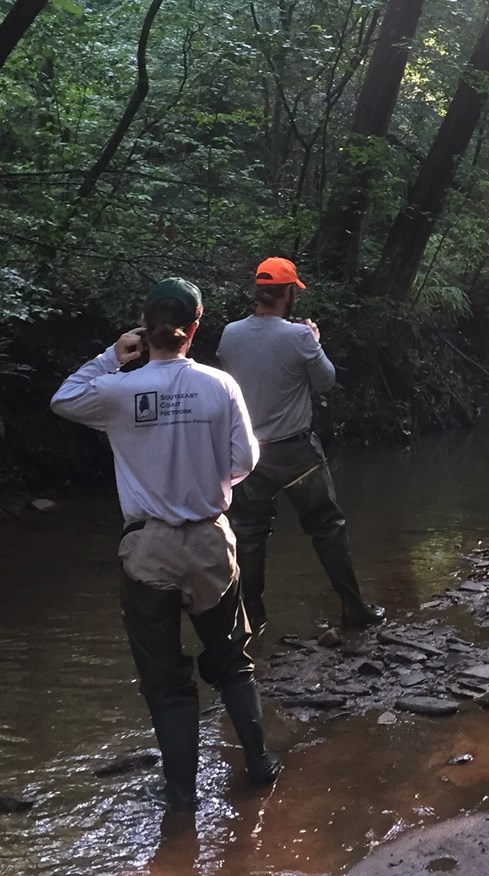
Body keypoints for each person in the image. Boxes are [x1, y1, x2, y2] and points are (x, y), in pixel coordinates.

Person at [51, 278, 282, 813]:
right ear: (194, 327)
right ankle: (260, 766)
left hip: (148, 549)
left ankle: (181, 794)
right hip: (208, 542)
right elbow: (246, 461)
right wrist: (208, 483)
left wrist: (113, 355)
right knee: (232, 662)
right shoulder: (220, 386)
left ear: (144, 326)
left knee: (166, 680)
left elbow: (63, 399)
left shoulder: (116, 390)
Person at [217, 257, 385, 633]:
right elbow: (325, 381)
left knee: (249, 536)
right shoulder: (298, 337)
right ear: (288, 293)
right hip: (295, 455)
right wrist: (314, 341)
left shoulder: (230, 333)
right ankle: (354, 609)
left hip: (246, 455)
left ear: (259, 292)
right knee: (328, 526)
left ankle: (251, 620)